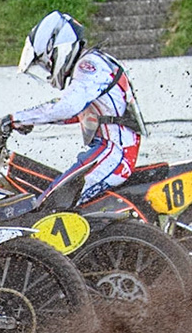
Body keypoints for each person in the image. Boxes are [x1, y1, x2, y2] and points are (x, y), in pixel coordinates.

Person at [7, 11, 142, 208]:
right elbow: (76, 112)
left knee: (52, 205)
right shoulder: (94, 63)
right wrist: (25, 120)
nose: (48, 70)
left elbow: (67, 107)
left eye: (47, 62)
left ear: (58, 48)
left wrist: (15, 118)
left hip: (112, 152)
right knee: (55, 199)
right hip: (111, 151)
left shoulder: (89, 65)